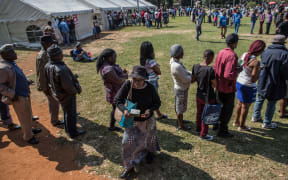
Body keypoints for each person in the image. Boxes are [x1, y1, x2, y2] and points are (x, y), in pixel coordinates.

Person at [114, 66, 161, 179]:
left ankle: (149, 153)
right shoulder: (128, 85)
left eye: (138, 80)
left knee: (149, 138)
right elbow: (117, 100)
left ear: (144, 79)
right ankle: (128, 167)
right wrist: (124, 110)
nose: (135, 82)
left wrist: (150, 110)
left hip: (147, 120)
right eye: (134, 79)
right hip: (132, 121)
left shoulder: (149, 87)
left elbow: (157, 103)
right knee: (127, 143)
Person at [0, 44, 41, 144]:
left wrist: (26, 80)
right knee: (23, 117)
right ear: (6, 55)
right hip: (18, 97)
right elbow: (1, 86)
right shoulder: (3, 68)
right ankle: (28, 136)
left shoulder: (11, 63)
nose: (15, 53)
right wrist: (12, 95)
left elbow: (15, 77)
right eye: (12, 52)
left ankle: (31, 129)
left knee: (28, 113)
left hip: (24, 93)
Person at [45, 44, 85, 138]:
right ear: (57, 55)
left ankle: (68, 129)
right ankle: (72, 132)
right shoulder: (61, 69)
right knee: (70, 114)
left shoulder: (47, 65)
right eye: (61, 53)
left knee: (66, 112)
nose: (62, 55)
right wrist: (75, 90)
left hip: (58, 94)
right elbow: (68, 87)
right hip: (67, 95)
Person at [252, 35, 288, 129]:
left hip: (263, 79)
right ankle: (267, 122)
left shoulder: (266, 51)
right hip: (276, 82)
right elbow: (285, 71)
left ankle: (255, 116)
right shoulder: (285, 54)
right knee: (272, 102)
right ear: (282, 43)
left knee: (260, 99)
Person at [234, 40, 266, 131]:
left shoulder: (244, 54)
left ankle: (236, 122)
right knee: (245, 107)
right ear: (259, 50)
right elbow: (253, 79)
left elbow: (239, 67)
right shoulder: (256, 62)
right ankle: (242, 126)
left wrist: (256, 69)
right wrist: (259, 70)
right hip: (248, 85)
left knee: (239, 103)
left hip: (239, 81)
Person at [214, 33, 241, 137]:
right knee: (227, 110)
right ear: (234, 43)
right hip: (227, 88)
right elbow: (228, 75)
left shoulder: (221, 52)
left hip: (219, 85)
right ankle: (222, 130)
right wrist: (237, 71)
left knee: (218, 106)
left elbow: (215, 67)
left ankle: (215, 124)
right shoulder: (232, 55)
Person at [96, 49, 128, 131]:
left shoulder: (108, 65)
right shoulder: (108, 69)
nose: (115, 59)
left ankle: (112, 126)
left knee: (115, 108)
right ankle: (126, 125)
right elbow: (118, 80)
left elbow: (117, 77)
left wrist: (122, 73)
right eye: (114, 57)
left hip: (116, 91)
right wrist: (125, 76)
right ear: (109, 58)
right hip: (115, 93)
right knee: (120, 108)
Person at [36, 35, 64, 127]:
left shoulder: (47, 52)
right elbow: (41, 73)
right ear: (44, 44)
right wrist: (45, 87)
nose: (52, 44)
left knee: (57, 101)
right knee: (54, 103)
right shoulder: (42, 56)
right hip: (48, 85)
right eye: (50, 43)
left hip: (51, 83)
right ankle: (54, 121)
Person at [191, 49, 216, 141]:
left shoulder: (196, 66)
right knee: (206, 116)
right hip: (208, 97)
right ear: (211, 58)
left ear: (203, 56)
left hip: (199, 95)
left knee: (199, 113)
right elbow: (215, 85)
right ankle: (203, 134)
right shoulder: (210, 70)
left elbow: (192, 80)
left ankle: (198, 128)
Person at [140, 41, 168, 120]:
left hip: (146, 80)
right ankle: (151, 114)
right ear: (150, 51)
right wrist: (157, 66)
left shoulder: (143, 60)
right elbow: (159, 72)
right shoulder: (151, 61)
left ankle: (158, 114)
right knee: (154, 99)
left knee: (151, 98)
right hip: (153, 82)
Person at [170, 44, 192, 130]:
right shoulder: (176, 66)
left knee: (179, 106)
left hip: (179, 87)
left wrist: (191, 73)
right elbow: (185, 79)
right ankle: (181, 125)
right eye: (181, 52)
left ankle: (181, 120)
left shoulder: (174, 61)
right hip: (181, 89)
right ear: (178, 54)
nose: (183, 53)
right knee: (179, 108)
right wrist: (194, 77)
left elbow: (184, 72)